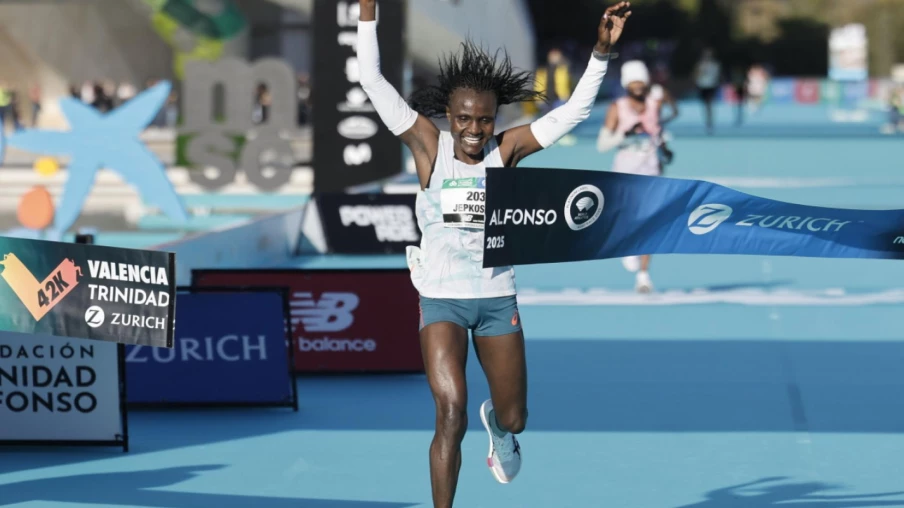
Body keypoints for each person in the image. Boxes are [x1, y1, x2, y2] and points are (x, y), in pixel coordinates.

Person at [356, 1, 632, 506]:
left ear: (494, 119)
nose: (474, 130)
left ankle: (501, 434)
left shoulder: (507, 151)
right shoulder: (425, 145)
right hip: (440, 299)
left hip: (496, 300)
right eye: (464, 119)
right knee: (450, 411)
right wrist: (368, 12)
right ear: (448, 115)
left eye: (484, 120)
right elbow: (371, 78)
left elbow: (574, 113)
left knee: (515, 415)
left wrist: (600, 52)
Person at [596, 59, 675, 293]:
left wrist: (664, 150)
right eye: (633, 81)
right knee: (627, 221)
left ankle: (643, 275)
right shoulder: (617, 108)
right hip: (624, 173)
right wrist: (624, 134)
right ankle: (627, 247)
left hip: (650, 170)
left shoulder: (654, 104)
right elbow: (602, 145)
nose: (638, 85)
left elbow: (658, 133)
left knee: (650, 223)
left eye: (641, 80)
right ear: (626, 84)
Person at [694, 47, 721, 134]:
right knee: (705, 105)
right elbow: (696, 74)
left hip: (711, 85)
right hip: (702, 85)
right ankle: (708, 121)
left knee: (709, 104)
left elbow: (718, 75)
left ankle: (710, 122)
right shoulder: (700, 65)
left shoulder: (715, 65)